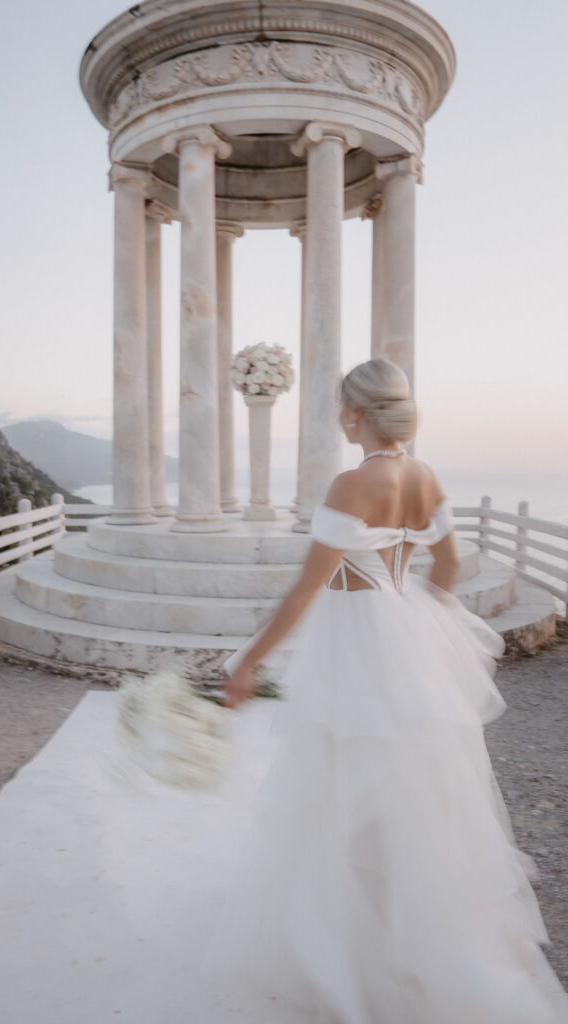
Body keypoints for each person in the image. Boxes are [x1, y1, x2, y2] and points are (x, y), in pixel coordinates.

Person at [200, 358, 568, 1023]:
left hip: (352, 641)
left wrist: (246, 664)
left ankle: (353, 942)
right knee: (410, 786)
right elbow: (448, 564)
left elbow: (307, 588)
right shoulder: (423, 475)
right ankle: (416, 932)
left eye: (342, 406)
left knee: (339, 779)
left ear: (353, 413)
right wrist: (421, 625)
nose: (339, 416)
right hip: (400, 628)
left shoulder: (350, 483)